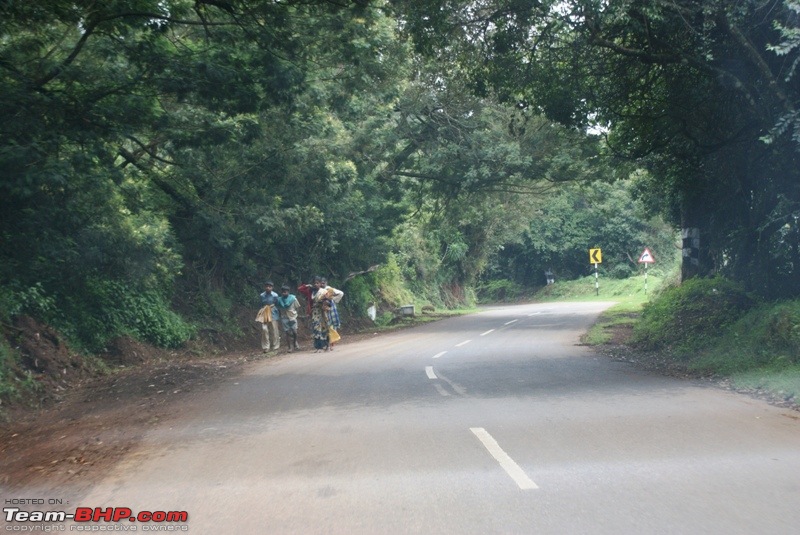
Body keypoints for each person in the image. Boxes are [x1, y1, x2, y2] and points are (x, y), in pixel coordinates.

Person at [310, 277, 344, 352]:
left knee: (326, 329)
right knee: (316, 329)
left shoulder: (324, 291)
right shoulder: (312, 292)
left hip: (324, 313)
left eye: (317, 283)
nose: (316, 284)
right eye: (314, 283)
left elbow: (329, 303)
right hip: (316, 313)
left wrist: (324, 302)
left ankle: (327, 345)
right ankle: (318, 347)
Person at [276, 285, 301, 352]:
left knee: (295, 332)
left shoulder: (293, 299)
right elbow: (278, 308)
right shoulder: (279, 300)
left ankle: (295, 342)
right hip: (284, 317)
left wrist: (296, 315)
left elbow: (297, 307)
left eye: (285, 292)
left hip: (292, 316)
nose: (284, 293)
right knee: (287, 332)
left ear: (288, 292)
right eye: (283, 292)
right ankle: (289, 347)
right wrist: (280, 315)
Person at [256, 281, 280, 352]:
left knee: (274, 329)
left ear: (272, 287)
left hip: (273, 312)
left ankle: (275, 346)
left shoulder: (275, 295)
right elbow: (260, 304)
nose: (268, 288)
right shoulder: (262, 295)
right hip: (264, 312)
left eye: (270, 287)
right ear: (264, 287)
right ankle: (266, 347)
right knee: (264, 329)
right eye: (266, 286)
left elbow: (277, 304)